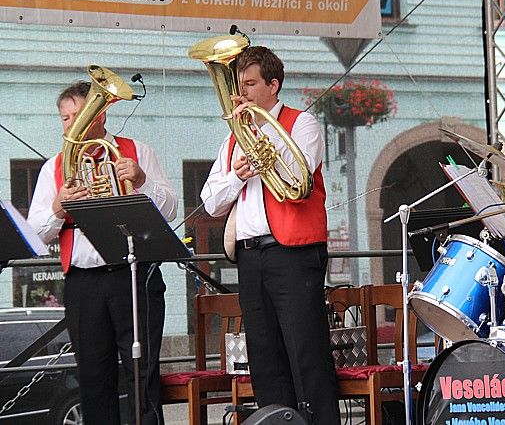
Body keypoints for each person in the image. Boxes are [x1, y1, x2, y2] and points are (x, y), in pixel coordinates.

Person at [201, 45, 338, 425]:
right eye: (238, 85)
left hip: (292, 252)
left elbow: (299, 178)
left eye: (249, 84)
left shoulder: (301, 124)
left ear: (273, 85)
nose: (240, 93)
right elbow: (210, 202)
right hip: (250, 255)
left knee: (306, 352)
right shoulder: (232, 140)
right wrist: (236, 175)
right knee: (264, 356)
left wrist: (260, 147)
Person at [27, 80, 177, 425]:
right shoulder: (54, 167)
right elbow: (35, 235)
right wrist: (58, 207)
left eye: (78, 115)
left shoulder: (138, 152)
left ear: (102, 114)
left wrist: (142, 180)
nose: (71, 125)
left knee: (143, 375)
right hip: (84, 283)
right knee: (93, 379)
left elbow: (169, 209)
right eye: (65, 118)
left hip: (134, 276)